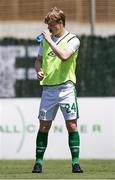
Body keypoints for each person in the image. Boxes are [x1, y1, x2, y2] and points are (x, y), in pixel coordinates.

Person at [32, 7, 83, 173]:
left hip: (66, 88)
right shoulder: (45, 40)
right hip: (48, 90)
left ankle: (75, 163)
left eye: (51, 25)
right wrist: (38, 70)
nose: (48, 28)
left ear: (60, 23)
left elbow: (64, 56)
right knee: (44, 127)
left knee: (72, 125)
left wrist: (49, 40)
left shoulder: (73, 39)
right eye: (47, 25)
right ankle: (38, 163)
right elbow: (38, 60)